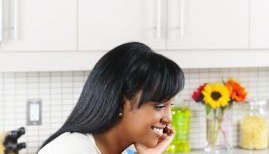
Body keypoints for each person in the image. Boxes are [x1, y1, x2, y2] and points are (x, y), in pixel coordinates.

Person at [37, 42, 185, 154]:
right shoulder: (71, 149)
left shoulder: (126, 151)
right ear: (121, 102)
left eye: (170, 105)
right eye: (159, 106)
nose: (169, 118)